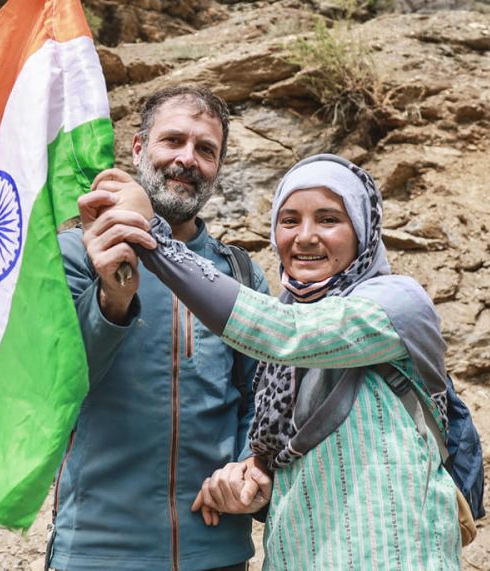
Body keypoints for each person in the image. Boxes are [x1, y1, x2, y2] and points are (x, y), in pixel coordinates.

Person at [82, 154, 462, 570]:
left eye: (329, 219)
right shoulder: (285, 336)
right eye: (289, 220)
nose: (305, 237)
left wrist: (152, 237)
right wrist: (251, 477)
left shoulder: (397, 303)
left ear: (363, 229)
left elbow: (284, 333)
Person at [47, 85, 269, 571]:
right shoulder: (76, 254)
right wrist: (112, 297)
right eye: (173, 140)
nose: (187, 159)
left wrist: (248, 464)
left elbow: (264, 398)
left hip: (216, 552)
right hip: (97, 551)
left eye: (206, 149)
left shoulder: (240, 274)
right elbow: (56, 384)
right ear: (137, 148)